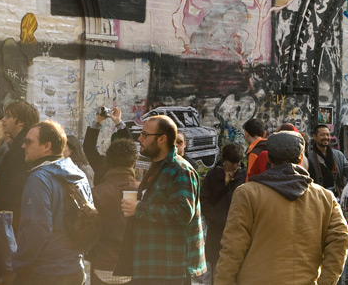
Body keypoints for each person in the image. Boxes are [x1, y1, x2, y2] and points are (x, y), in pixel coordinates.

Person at [215, 131, 348, 284]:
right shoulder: (324, 197)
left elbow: (233, 247)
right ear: (301, 158)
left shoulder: (247, 194)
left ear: (269, 158)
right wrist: (325, 281)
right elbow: (341, 237)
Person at [118, 114, 206, 285]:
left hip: (169, 270)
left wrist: (139, 208)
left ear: (162, 139)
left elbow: (182, 213)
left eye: (145, 135)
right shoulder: (159, 166)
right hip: (152, 266)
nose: (139, 138)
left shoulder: (179, 170)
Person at [13, 120, 92, 285]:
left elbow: (37, 229)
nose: (23, 146)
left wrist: (18, 262)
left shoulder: (39, 179)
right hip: (75, 269)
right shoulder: (79, 174)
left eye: (29, 141)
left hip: (44, 273)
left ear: (46, 146)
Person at [89, 138, 139, 285]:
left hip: (102, 266)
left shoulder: (95, 193)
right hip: (134, 266)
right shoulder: (144, 191)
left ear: (109, 163)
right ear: (134, 162)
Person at [200, 143, 246, 272]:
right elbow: (204, 199)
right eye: (232, 163)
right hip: (217, 227)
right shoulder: (213, 175)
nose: (236, 166)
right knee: (216, 264)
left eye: (238, 163)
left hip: (236, 227)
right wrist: (213, 217)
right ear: (225, 160)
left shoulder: (243, 175)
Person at [0, 101, 39, 230]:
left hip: (12, 216)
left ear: (20, 122)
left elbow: (15, 186)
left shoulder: (22, 147)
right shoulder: (19, 143)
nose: (3, 120)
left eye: (8, 116)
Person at [83, 106, 134, 185]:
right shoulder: (129, 166)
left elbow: (88, 147)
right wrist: (118, 122)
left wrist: (98, 121)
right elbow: (131, 147)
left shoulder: (102, 166)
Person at [308, 124, 348, 196]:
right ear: (314, 136)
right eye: (322, 135)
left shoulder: (339, 155)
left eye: (328, 135)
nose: (326, 137)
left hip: (335, 196)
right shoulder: (309, 157)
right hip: (317, 196)